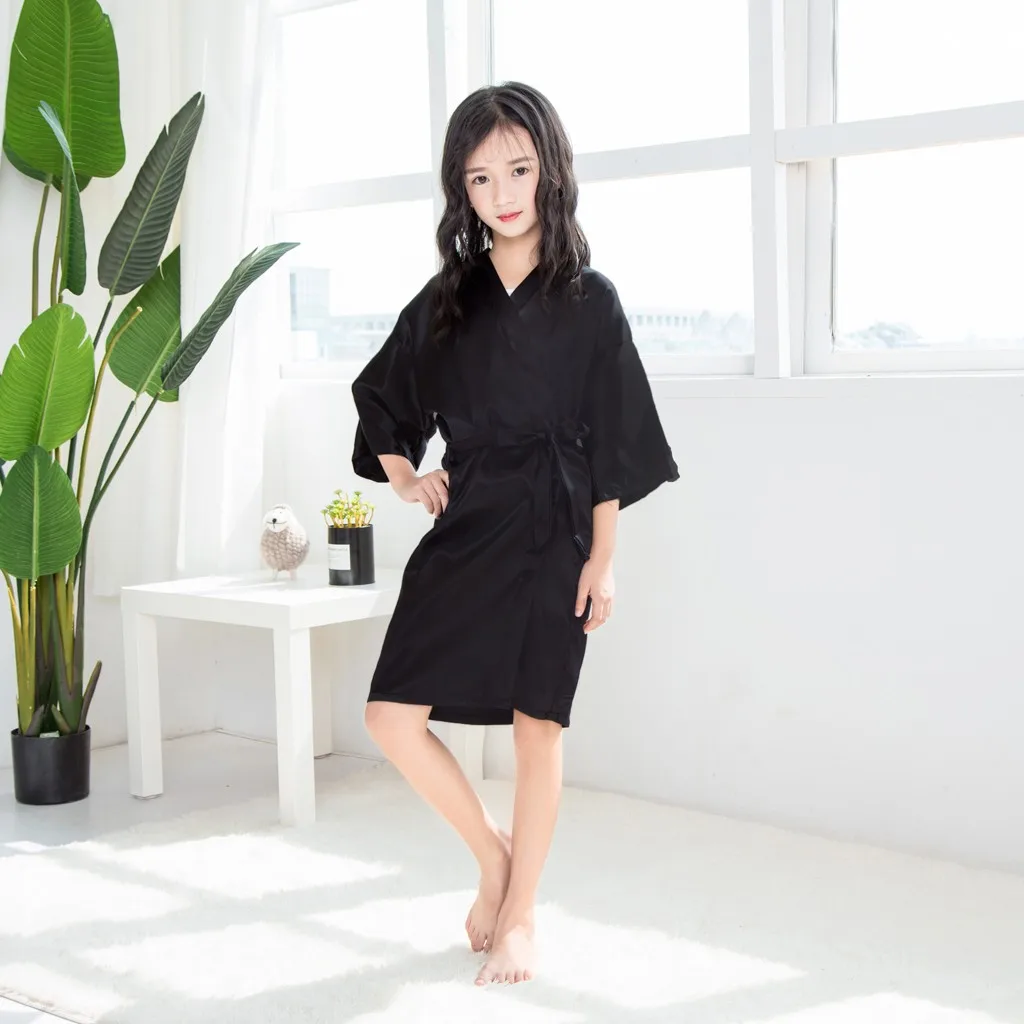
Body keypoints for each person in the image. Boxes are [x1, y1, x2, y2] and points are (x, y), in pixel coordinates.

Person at [350, 81, 679, 987]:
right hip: (470, 515)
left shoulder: (591, 299)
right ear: (461, 189)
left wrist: (603, 559)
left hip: (557, 522)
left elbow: (613, 440)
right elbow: (381, 393)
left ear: (551, 171)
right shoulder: (449, 297)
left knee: (539, 725)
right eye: (481, 176)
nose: (503, 193)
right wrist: (407, 475)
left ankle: (522, 912)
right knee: (390, 716)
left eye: (520, 169)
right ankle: (494, 857)